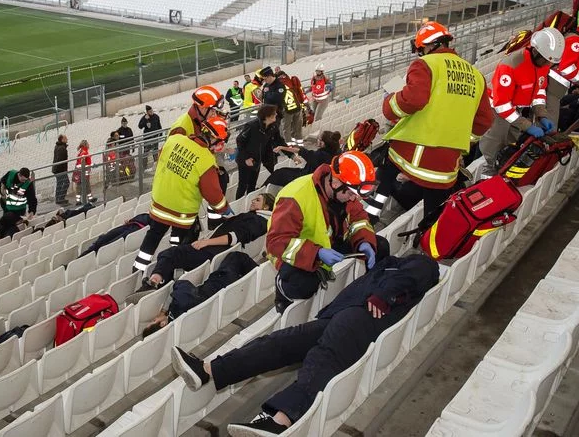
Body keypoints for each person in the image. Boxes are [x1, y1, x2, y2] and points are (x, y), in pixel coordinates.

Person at [171, 254, 440, 435]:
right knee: (279, 342)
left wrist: (383, 295)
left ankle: (281, 420)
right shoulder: (390, 262)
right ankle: (207, 370)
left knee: (323, 358)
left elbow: (417, 275)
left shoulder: (422, 262)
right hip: (342, 314)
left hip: (362, 316)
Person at [366, 22, 492, 221]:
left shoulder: (425, 64)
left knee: (385, 167)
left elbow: (413, 99)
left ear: (428, 45)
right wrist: (460, 140)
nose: (420, 54)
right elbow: (484, 120)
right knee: (434, 213)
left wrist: (388, 103)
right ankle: (428, 242)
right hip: (447, 165)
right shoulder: (476, 76)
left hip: (413, 155)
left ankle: (371, 215)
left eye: (421, 49)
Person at [267, 151, 383, 311]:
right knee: (302, 285)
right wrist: (317, 253)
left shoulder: (345, 191)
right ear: (335, 183)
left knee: (381, 246)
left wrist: (364, 241)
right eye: (350, 193)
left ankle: (371, 297)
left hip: (329, 243)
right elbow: (276, 243)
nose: (352, 198)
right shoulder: (295, 197)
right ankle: (282, 293)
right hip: (300, 253)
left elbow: (359, 219)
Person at [133, 116, 232, 273]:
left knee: (153, 236)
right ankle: (182, 270)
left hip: (159, 204)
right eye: (219, 142)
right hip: (182, 213)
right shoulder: (206, 160)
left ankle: (138, 269)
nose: (220, 146)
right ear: (212, 138)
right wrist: (224, 209)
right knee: (189, 237)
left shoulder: (174, 140)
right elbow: (213, 195)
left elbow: (161, 159)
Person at [134, 193, 274, 297]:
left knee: (169, 254)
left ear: (266, 206)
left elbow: (235, 237)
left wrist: (205, 242)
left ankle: (152, 283)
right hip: (214, 250)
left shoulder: (258, 220)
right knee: (173, 256)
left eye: (258, 200)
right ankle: (158, 286)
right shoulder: (258, 219)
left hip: (211, 251)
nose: (252, 201)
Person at [479, 28, 564, 175]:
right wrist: (528, 126)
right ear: (536, 51)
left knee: (511, 155)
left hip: (517, 113)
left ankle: (505, 186)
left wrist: (542, 115)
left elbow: (539, 92)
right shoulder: (510, 65)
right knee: (493, 156)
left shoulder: (543, 65)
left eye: (550, 62)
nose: (548, 65)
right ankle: (487, 186)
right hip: (498, 113)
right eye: (546, 60)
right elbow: (502, 105)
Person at [143, 251, 258, 337]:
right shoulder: (179, 306)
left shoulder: (180, 327)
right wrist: (164, 309)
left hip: (225, 298)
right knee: (236, 256)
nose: (155, 317)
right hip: (221, 283)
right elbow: (182, 284)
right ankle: (262, 273)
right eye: (154, 321)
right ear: (163, 324)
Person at [263, 130, 342, 191]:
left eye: (319, 139)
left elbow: (300, 151)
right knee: (282, 171)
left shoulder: (318, 155)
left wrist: (282, 148)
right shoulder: (337, 152)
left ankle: (262, 189)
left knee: (278, 173)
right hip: (317, 179)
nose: (317, 140)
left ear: (323, 143)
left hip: (306, 178)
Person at [235, 105, 286, 198]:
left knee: (252, 184)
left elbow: (279, 141)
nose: (276, 115)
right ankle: (238, 206)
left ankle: (249, 204)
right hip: (245, 160)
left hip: (257, 160)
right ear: (267, 116)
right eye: (274, 113)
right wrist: (246, 158)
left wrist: (291, 155)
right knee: (242, 185)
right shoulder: (251, 126)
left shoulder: (273, 127)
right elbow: (239, 141)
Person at [52, 134, 70, 205]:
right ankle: (61, 198)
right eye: (66, 138)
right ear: (62, 139)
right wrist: (63, 170)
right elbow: (60, 160)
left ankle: (58, 199)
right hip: (60, 170)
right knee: (66, 183)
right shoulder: (61, 148)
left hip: (57, 169)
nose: (67, 140)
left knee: (60, 183)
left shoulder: (58, 146)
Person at [73, 139, 92, 204]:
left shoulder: (81, 151)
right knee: (85, 185)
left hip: (79, 172)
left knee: (83, 185)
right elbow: (84, 163)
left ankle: (87, 198)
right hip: (83, 172)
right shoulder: (84, 153)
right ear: (86, 145)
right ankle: (82, 200)